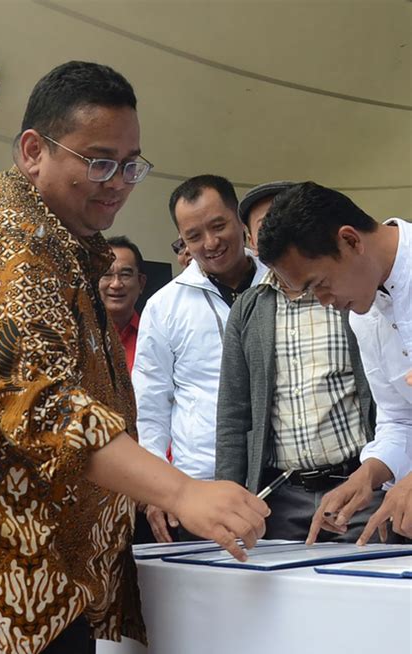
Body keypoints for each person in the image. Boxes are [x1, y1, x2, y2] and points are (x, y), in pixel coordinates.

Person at [0, 62, 269, 654]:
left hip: (35, 591)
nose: (118, 181)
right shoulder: (3, 240)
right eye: (98, 160)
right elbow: (43, 405)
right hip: (3, 598)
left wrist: (142, 485)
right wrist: (183, 490)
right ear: (32, 151)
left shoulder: (51, 235)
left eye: (131, 163)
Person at [216, 181, 382, 541]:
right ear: (252, 240)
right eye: (265, 225)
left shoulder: (347, 294)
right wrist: (228, 496)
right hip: (282, 495)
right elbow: (234, 410)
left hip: (356, 484)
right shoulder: (249, 309)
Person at [257, 180, 412, 543]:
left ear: (351, 240)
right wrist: (369, 474)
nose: (324, 301)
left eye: (320, 283)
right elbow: (399, 418)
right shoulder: (364, 315)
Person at [132, 174, 261, 542]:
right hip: (200, 488)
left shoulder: (282, 283)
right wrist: (157, 490)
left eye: (218, 225)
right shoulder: (164, 306)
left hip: (279, 480)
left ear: (240, 219)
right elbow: (150, 405)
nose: (211, 243)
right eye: (193, 236)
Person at [98, 235, 146, 372]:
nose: (116, 284)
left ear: (141, 283)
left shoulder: (156, 335)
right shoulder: (79, 336)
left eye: (125, 274)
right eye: (106, 274)